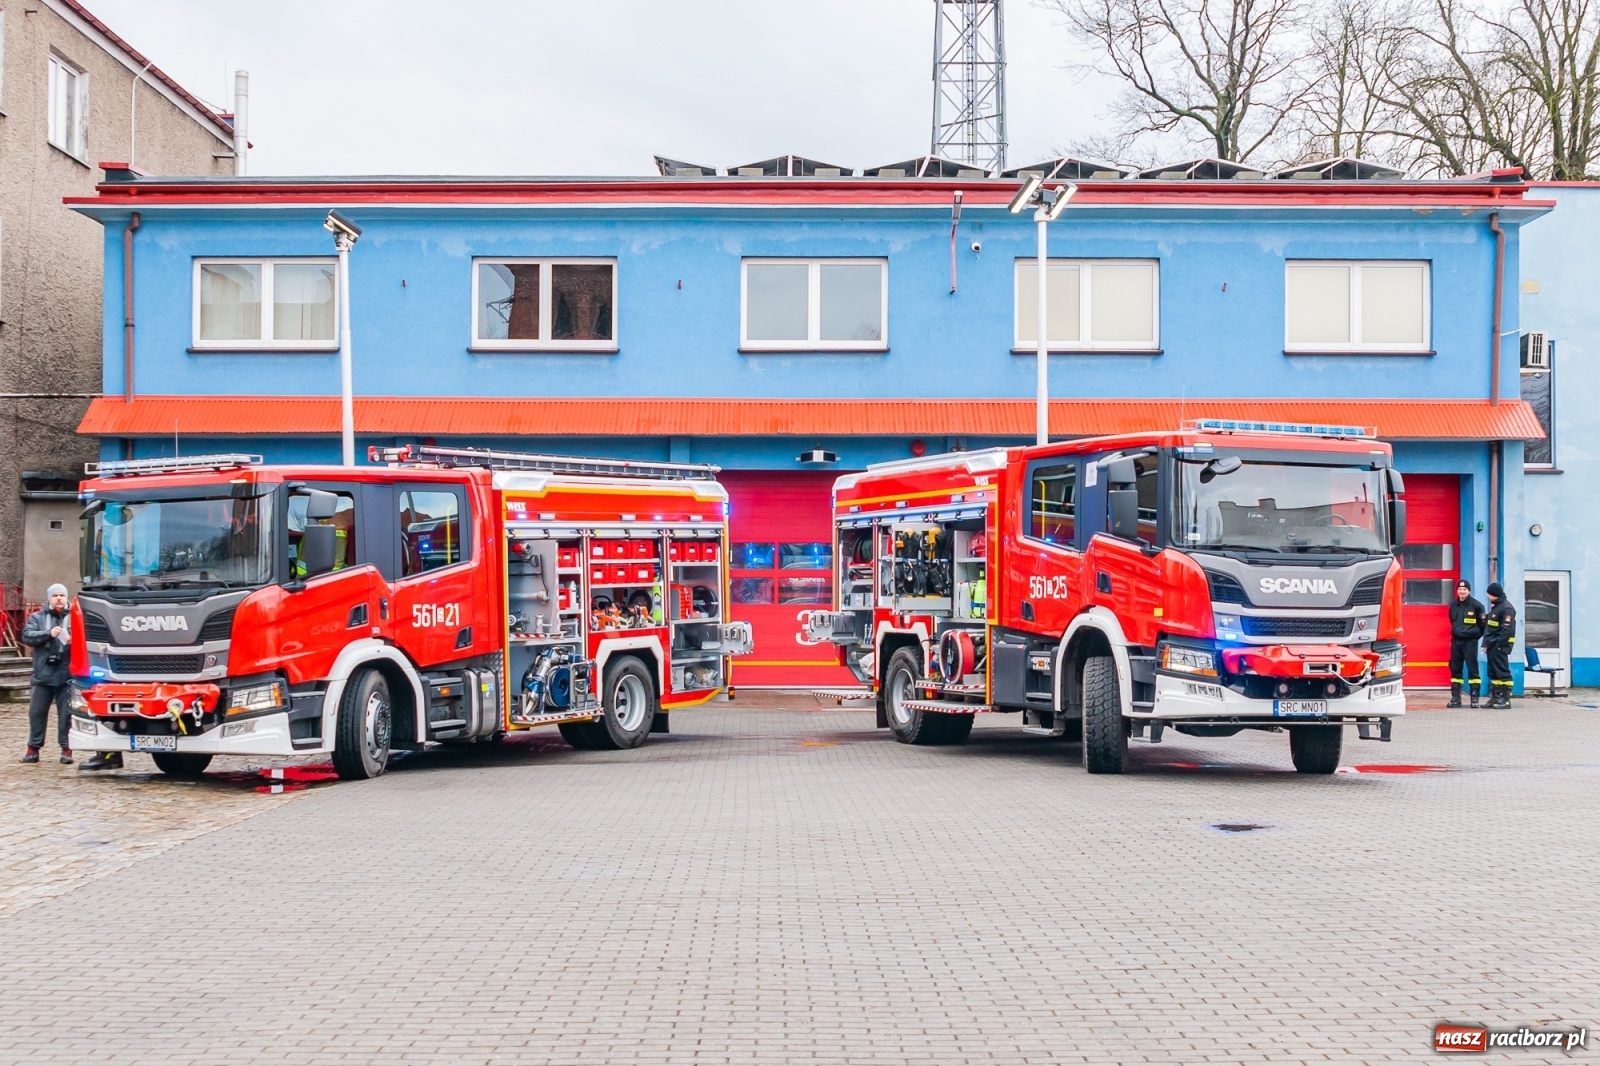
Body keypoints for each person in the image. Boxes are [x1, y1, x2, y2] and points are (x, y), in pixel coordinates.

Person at [19, 584, 74, 764]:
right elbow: (27, 636)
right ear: (49, 598)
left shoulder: (75, 618)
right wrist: (48, 633)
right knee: (36, 713)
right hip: (42, 676)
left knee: (66, 715)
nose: (59, 598)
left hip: (67, 676)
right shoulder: (37, 617)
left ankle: (66, 750)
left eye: (62, 595)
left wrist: (75, 641)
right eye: (55, 595)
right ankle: (32, 749)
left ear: (67, 598)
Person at [1447, 579, 1487, 707]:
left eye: (1464, 589)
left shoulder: (1477, 606)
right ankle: (1455, 698)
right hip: (1456, 642)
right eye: (1460, 589)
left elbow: (1483, 625)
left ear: (1469, 591)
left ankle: (1474, 698)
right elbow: (1452, 621)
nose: (1462, 592)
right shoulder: (1453, 605)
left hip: (1470, 642)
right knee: (1455, 669)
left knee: (1473, 669)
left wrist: (1474, 636)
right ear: (1457, 590)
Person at [1483, 582, 1518, 709]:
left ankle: (1505, 699)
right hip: (1492, 646)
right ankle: (1496, 697)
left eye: (1488, 593)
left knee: (1502, 672)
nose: (1487, 596)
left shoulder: (1506, 608)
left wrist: (1498, 645)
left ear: (1493, 594)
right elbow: (1490, 628)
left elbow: (1506, 630)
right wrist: (1486, 644)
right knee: (1493, 672)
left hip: (1500, 646)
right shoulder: (1497, 607)